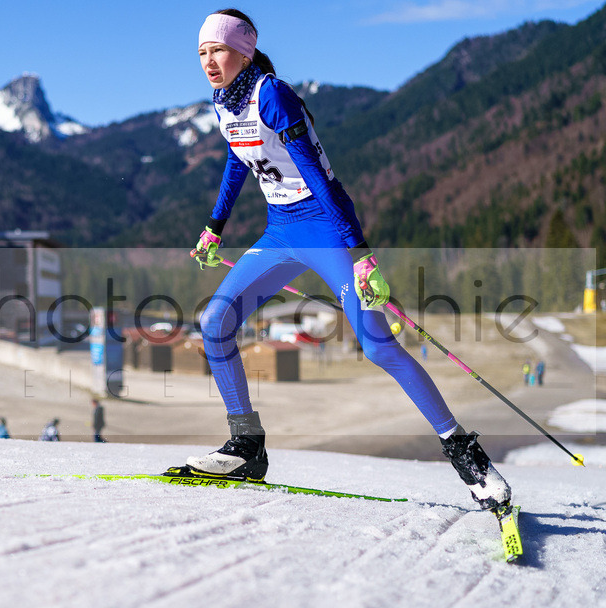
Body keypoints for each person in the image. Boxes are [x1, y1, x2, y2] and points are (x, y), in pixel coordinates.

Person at [185, 8, 510, 511]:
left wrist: (361, 256)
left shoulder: (271, 94)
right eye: (202, 52)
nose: (209, 61)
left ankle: (467, 456)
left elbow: (322, 180)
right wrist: (215, 226)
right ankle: (247, 445)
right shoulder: (223, 100)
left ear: (244, 53)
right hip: (279, 232)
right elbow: (236, 158)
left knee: (379, 347)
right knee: (215, 322)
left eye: (219, 50)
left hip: (324, 227)